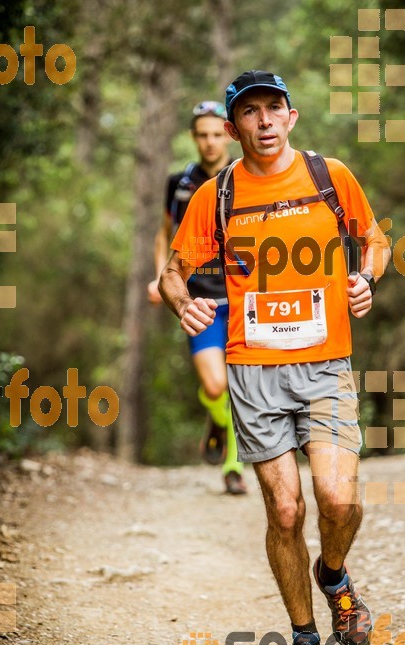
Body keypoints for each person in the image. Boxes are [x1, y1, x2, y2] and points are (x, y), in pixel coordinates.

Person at [159, 71, 391, 645]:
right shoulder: (218, 194)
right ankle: (305, 640)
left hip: (325, 364)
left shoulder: (329, 176)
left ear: (292, 116)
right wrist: (183, 300)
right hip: (252, 367)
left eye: (273, 109)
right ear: (235, 127)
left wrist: (367, 277)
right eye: (250, 112)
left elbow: (375, 240)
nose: (263, 121)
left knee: (338, 499)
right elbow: (175, 269)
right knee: (285, 510)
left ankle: (335, 574)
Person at [148, 100, 247, 495]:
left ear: (229, 133)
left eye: (216, 134)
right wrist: (161, 279)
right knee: (214, 387)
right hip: (199, 302)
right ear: (194, 138)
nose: (210, 142)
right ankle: (220, 423)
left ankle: (234, 467)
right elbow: (164, 235)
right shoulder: (179, 183)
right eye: (202, 135)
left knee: (239, 387)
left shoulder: (244, 176)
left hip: (242, 300)